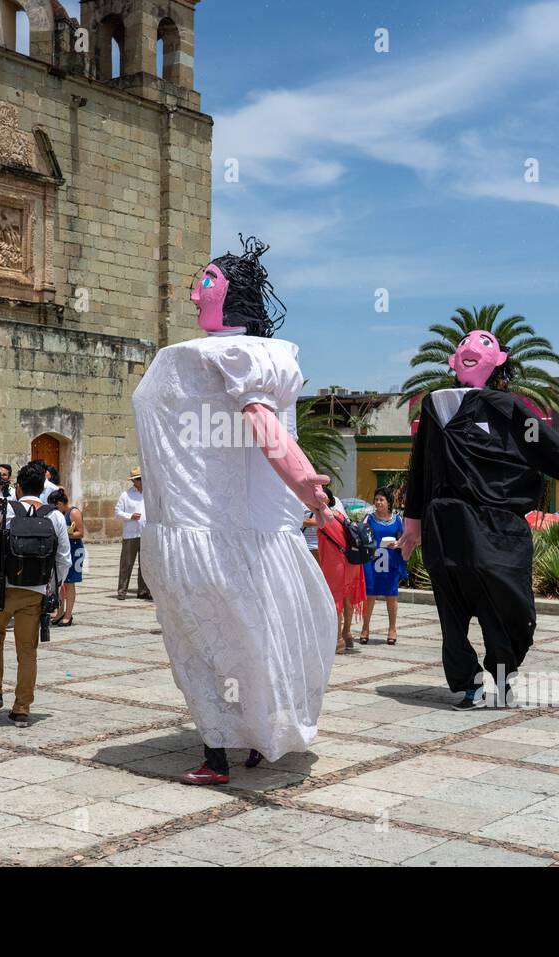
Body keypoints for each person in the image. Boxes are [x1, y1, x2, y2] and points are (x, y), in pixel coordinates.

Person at [132, 235, 336, 785]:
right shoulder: (195, 358)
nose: (194, 295)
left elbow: (265, 423)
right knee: (233, 638)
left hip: (216, 533)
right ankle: (248, 737)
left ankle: (219, 751)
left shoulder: (237, 355)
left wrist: (304, 484)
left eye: (206, 283)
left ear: (231, 293)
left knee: (210, 644)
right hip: (196, 528)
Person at [398, 330, 559, 710]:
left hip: (496, 527)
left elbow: (552, 449)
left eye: (485, 343)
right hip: (446, 522)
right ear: (453, 361)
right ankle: (468, 684)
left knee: (506, 603)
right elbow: (420, 465)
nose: (472, 348)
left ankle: (503, 676)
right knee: (450, 609)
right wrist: (413, 522)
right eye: (465, 345)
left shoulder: (508, 409)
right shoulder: (433, 406)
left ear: (499, 360)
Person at [0, 462, 70, 725]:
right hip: (35, 592)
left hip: (4, 590)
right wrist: (51, 589)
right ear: (42, 489)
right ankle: (22, 708)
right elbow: (63, 559)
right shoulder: (55, 516)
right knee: (27, 650)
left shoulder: (3, 509)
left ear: (18, 487)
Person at [317, 488, 362, 654]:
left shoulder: (325, 517)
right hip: (351, 562)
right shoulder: (341, 515)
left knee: (335, 601)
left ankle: (337, 641)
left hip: (336, 564)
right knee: (347, 599)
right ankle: (347, 634)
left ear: (325, 501)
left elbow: (307, 523)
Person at [361, 486, 405, 645]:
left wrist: (398, 543)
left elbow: (404, 538)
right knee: (370, 595)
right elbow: (360, 536)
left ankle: (392, 629)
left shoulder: (398, 519)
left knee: (391, 596)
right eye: (376, 499)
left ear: (389, 502)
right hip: (371, 563)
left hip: (391, 563)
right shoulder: (368, 518)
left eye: (381, 499)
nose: (378, 502)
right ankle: (365, 628)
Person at [49, 488, 83, 626]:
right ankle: (60, 611)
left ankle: (68, 614)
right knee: (60, 582)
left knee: (69, 583)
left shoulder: (74, 512)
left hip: (74, 550)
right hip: (64, 549)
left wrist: (65, 533)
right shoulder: (60, 514)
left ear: (60, 503)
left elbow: (80, 533)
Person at [114, 467, 150, 600]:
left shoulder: (149, 493)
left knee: (145, 564)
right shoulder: (126, 495)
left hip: (146, 534)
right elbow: (117, 512)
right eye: (137, 479)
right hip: (131, 534)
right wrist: (130, 516)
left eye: (140, 479)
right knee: (127, 563)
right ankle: (122, 591)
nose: (139, 481)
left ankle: (143, 591)